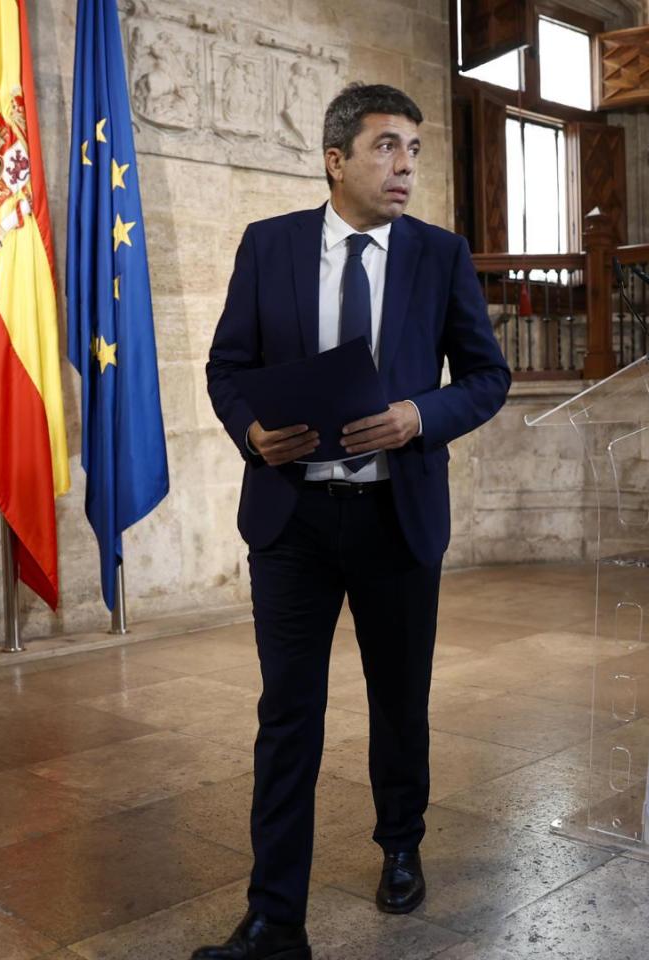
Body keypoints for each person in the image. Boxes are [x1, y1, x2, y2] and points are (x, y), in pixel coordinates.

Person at [196, 83, 511, 960]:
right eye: (385, 147)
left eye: (413, 147)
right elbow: (227, 367)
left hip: (396, 516)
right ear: (335, 159)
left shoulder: (439, 256)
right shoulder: (269, 247)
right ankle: (273, 919)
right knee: (287, 713)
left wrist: (419, 416)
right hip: (291, 518)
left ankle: (400, 845)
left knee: (398, 700)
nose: (405, 164)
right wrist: (250, 429)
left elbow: (487, 379)